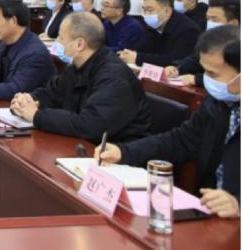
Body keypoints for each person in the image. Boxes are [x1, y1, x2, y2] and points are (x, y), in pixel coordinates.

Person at [98, 27, 240, 218]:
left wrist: (238, 203)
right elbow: (181, 140)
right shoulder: (218, 102)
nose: (206, 80)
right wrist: (124, 152)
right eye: (204, 71)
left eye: (212, 74)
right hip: (212, 213)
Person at [11, 13, 151, 143]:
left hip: (116, 150)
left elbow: (90, 125)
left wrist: (37, 116)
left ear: (79, 44)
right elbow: (51, 93)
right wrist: (28, 100)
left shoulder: (114, 77)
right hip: (83, 143)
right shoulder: (77, 67)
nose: (57, 42)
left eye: (60, 37)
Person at [166, 0, 240, 86]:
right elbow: (194, 60)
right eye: (208, 19)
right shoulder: (211, 40)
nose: (209, 23)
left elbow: (232, 78)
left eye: (214, 19)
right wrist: (176, 68)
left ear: (233, 23)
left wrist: (197, 79)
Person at [118, 0, 200, 67]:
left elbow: (175, 60)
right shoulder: (153, 24)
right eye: (144, 10)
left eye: (150, 10)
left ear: (167, 11)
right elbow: (142, 48)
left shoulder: (188, 30)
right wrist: (129, 54)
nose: (146, 14)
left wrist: (138, 58)